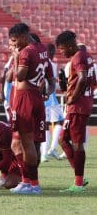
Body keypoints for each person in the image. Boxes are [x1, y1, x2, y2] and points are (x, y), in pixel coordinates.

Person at [7, 23, 55, 194]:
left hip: (25, 98)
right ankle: (27, 181)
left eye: (14, 40)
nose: (14, 44)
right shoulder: (42, 49)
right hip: (36, 98)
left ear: (22, 36)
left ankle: (33, 184)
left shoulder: (26, 52)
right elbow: (51, 79)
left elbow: (19, 75)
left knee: (27, 143)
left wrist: (16, 57)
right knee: (23, 142)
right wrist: (47, 92)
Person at [56, 31, 95, 193]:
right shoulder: (87, 56)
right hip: (82, 104)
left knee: (76, 144)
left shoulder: (78, 57)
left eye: (63, 49)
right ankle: (79, 177)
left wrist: (73, 96)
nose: (62, 52)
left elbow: (83, 77)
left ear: (70, 45)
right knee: (63, 139)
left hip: (77, 106)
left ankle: (78, 183)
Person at [40, 43, 65, 162]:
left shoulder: (39, 63)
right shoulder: (52, 65)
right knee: (59, 122)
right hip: (50, 99)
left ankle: (45, 152)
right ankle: (50, 150)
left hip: (39, 98)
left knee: (44, 125)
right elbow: (52, 84)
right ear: (50, 52)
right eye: (53, 51)